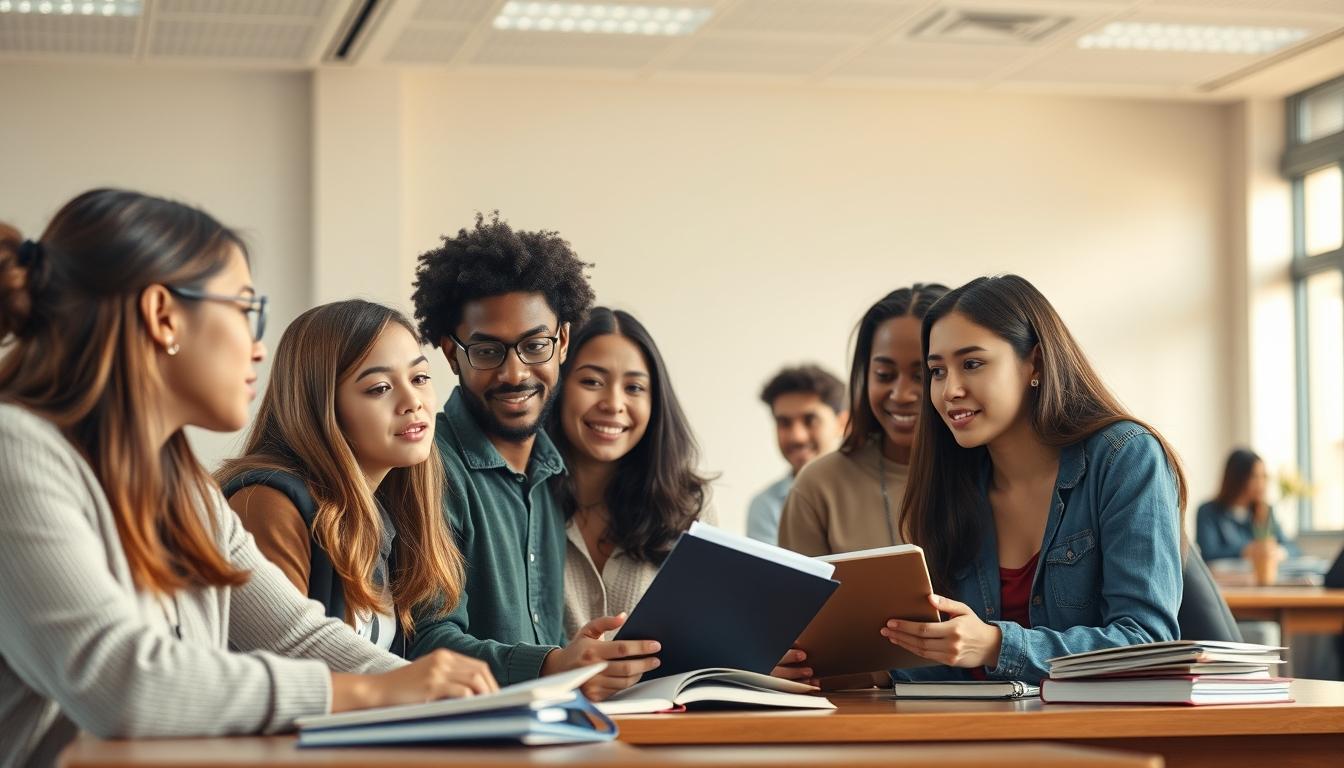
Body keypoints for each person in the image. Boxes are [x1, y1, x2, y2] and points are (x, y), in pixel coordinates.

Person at [0, 190, 494, 768]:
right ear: (163, 316)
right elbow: (123, 684)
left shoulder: (182, 485)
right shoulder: (17, 450)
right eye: (242, 309)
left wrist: (462, 701)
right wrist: (381, 693)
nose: (259, 348)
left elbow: (297, 636)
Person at [884, 274, 1184, 685]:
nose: (949, 389)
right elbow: (952, 656)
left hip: (1102, 733)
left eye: (972, 364)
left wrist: (995, 645)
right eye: (936, 371)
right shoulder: (953, 482)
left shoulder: (1124, 457)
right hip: (981, 735)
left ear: (1035, 364)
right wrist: (858, 666)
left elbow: (1148, 644)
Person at [408, 214, 659, 700]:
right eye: (487, 351)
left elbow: (547, 647)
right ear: (449, 353)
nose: (514, 373)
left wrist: (575, 662)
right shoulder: (429, 467)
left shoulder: (549, 473)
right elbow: (425, 642)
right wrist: (551, 664)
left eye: (534, 345)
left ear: (562, 342)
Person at [218, 300, 468, 658]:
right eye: (379, 388)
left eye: (420, 378)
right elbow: (290, 668)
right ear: (321, 406)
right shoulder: (266, 503)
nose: (413, 401)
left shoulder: (389, 514)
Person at [550, 308, 715, 664]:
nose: (613, 404)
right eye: (592, 381)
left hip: (669, 715)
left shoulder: (690, 505)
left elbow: (714, 637)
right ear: (559, 388)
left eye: (634, 388)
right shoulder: (522, 500)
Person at [778, 284, 948, 557]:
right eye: (884, 374)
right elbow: (794, 599)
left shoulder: (993, 474)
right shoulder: (819, 487)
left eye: (923, 375)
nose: (901, 394)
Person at [746, 365, 846, 545]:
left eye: (810, 420)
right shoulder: (765, 506)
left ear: (843, 423)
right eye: (784, 423)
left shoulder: (874, 487)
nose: (797, 436)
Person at [1195, 449, 1298, 562]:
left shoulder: (1265, 511)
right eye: (1254, 477)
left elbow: (1293, 549)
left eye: (1264, 476)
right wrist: (1246, 551)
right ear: (1237, 479)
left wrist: (1280, 552)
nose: (1261, 484)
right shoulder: (1208, 512)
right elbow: (1209, 554)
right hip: (1225, 579)